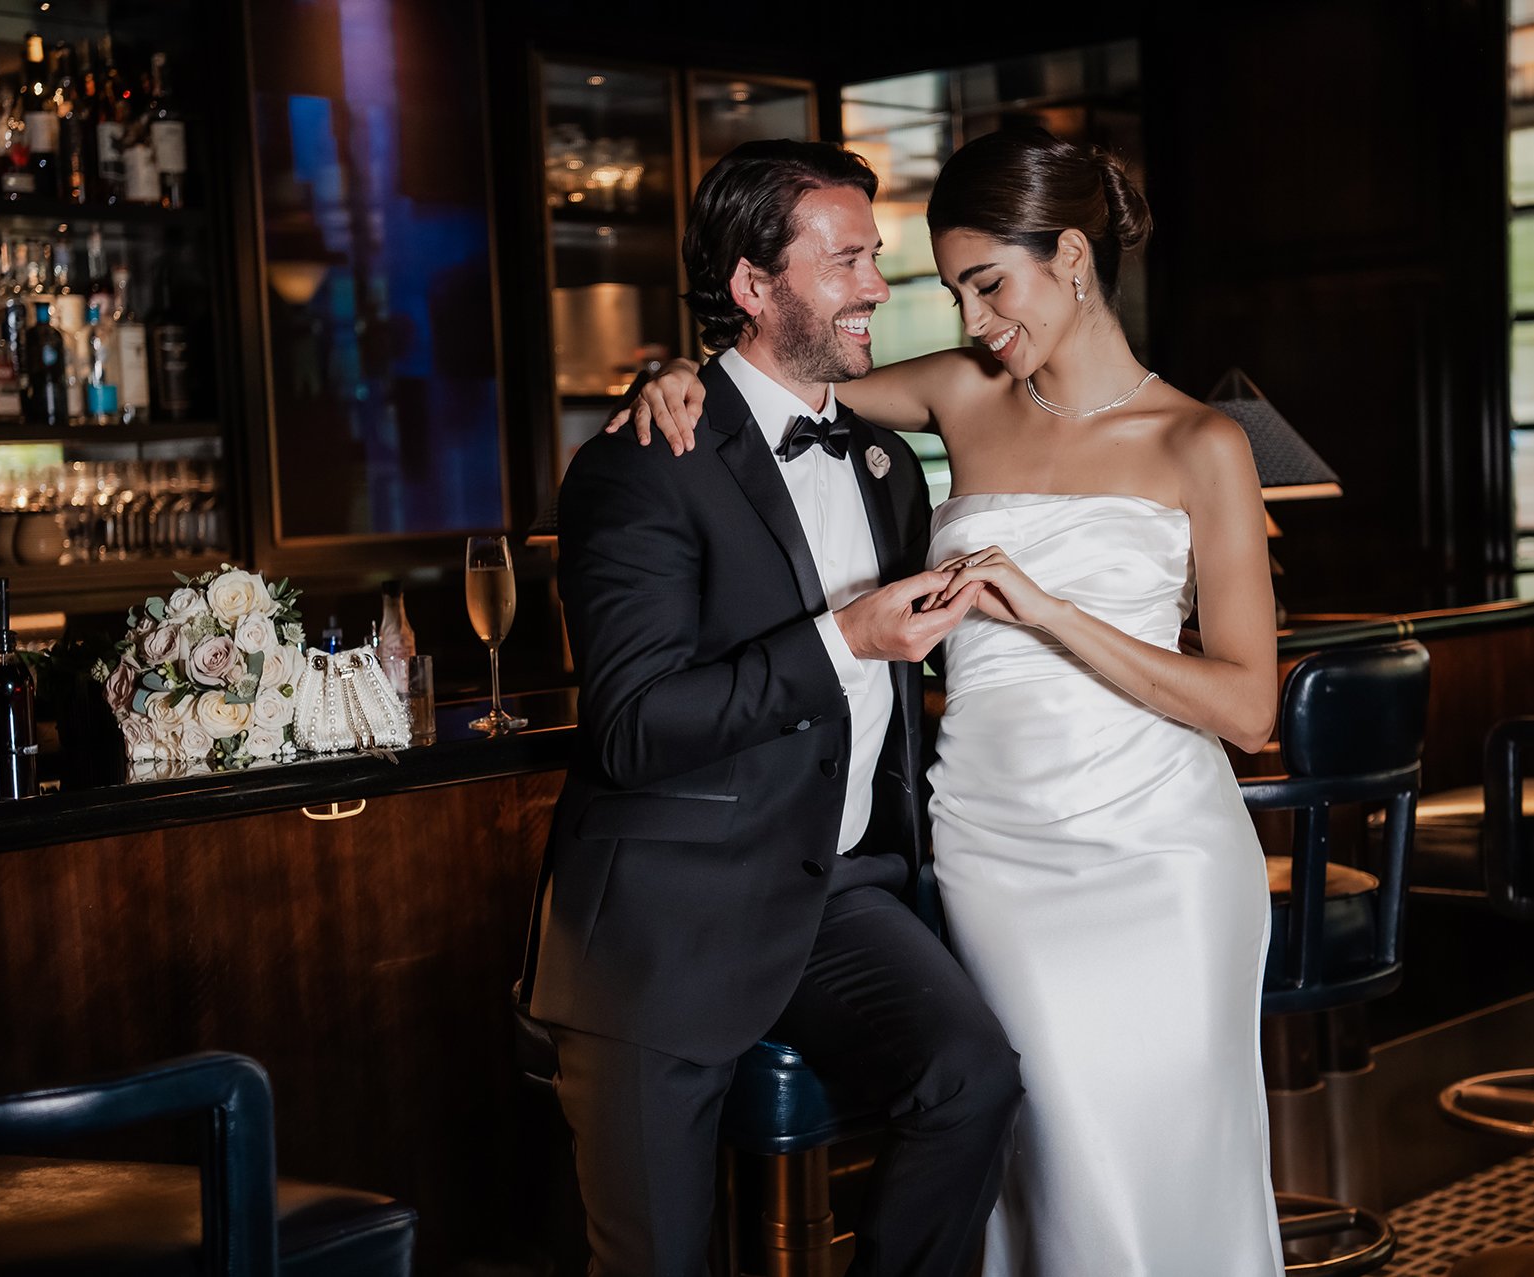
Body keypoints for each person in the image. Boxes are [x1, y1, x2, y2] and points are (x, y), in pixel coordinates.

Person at [612, 127, 1284, 1275]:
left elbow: (1248, 707)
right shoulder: (964, 393)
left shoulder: (1201, 442)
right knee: (1049, 1162)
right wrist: (675, 369)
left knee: (1155, 1167)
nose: (972, 321)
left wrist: (1052, 613)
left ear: (1071, 255)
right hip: (991, 854)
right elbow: (776, 383)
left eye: (988, 284)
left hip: (1159, 857)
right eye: (953, 290)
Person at [523, 138, 1024, 1277]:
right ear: (755, 286)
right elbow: (635, 725)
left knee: (975, 1080)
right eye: (845, 258)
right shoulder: (645, 460)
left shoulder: (891, 464)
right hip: (668, 917)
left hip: (843, 892)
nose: (876, 287)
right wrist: (846, 636)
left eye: (874, 257)